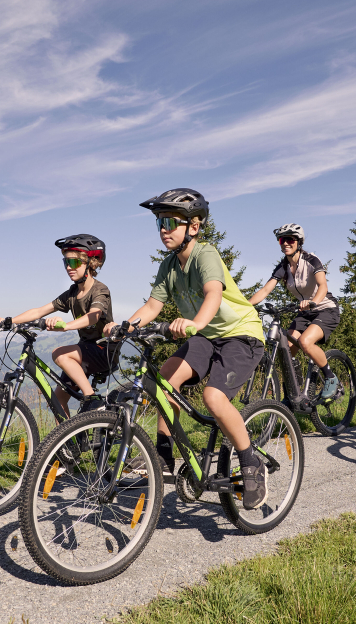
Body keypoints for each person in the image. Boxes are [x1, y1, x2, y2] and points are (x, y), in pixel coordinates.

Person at [104, 188, 269, 510]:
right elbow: (152, 306)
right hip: (205, 336)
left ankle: (250, 463)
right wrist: (124, 326)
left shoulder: (205, 254)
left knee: (213, 397)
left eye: (170, 222)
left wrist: (194, 323)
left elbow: (213, 294)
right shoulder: (169, 265)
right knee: (163, 383)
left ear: (194, 226)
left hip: (240, 335)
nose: (164, 229)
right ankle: (163, 457)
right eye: (159, 223)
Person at [0, 234, 113, 415]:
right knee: (57, 401)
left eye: (73, 263)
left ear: (90, 263)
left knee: (59, 354)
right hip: (85, 351)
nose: (68, 267)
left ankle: (93, 399)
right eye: (65, 262)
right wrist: (9, 320)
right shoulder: (72, 292)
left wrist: (65, 326)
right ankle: (70, 443)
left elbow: (94, 316)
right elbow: (39, 311)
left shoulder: (99, 290)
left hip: (104, 350)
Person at [248, 223, 342, 400]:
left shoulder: (311, 260)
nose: (285, 243)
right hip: (305, 311)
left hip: (325, 309)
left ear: (299, 242)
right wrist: (245, 306)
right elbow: (265, 290)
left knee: (305, 342)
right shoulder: (283, 266)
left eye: (290, 239)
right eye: (282, 240)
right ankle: (294, 392)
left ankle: (330, 377)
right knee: (287, 348)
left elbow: (323, 286)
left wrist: (313, 302)